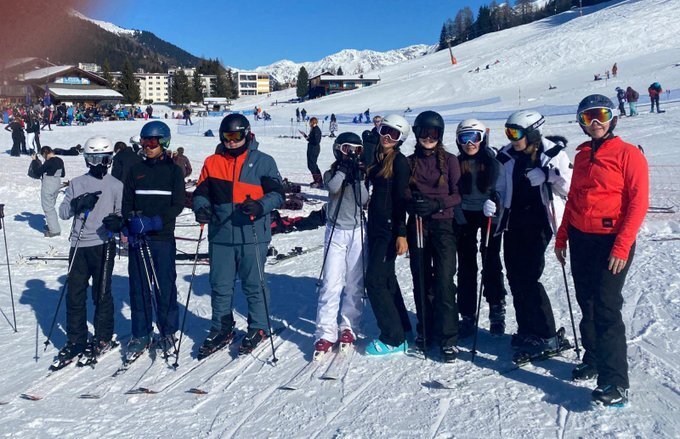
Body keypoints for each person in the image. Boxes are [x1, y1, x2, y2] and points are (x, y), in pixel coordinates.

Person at [555, 95, 648, 407]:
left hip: (611, 241)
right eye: (588, 117)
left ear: (613, 118)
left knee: (607, 307)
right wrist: (562, 236)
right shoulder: (582, 156)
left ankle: (615, 381)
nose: (595, 123)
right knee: (587, 302)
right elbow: (574, 199)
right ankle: (593, 358)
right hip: (581, 238)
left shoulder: (628, 154)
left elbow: (638, 203)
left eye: (601, 116)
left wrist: (622, 245)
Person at [192, 114, 284, 357]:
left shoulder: (264, 161)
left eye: (235, 136)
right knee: (220, 285)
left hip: (252, 232)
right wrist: (201, 207)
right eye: (226, 137)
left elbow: (278, 195)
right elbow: (201, 192)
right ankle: (221, 327)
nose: (231, 142)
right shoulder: (212, 162)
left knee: (254, 283)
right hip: (221, 233)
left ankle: (259, 326)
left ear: (246, 134)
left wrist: (260, 206)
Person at [495, 110, 572, 360]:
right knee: (514, 276)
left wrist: (548, 176)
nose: (512, 138)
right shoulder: (506, 155)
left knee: (528, 277)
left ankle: (547, 334)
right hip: (513, 221)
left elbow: (569, 187)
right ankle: (527, 329)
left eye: (516, 133)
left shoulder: (553, 154)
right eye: (508, 132)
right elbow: (500, 187)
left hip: (539, 221)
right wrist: (493, 201)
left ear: (531, 132)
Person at [55, 136, 123, 364]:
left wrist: (117, 222)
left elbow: (121, 213)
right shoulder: (77, 183)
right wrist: (77, 204)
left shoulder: (116, 185)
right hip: (79, 245)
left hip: (103, 245)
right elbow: (63, 212)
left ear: (110, 160)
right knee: (75, 294)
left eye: (103, 159)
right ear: (86, 160)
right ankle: (76, 340)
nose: (99, 164)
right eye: (93, 159)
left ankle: (103, 337)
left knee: (101, 293)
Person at [122, 121, 185, 357]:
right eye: (144, 142)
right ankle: (141, 333)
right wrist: (129, 222)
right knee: (138, 287)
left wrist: (157, 221)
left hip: (162, 237)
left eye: (152, 142)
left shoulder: (173, 171)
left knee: (164, 285)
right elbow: (127, 202)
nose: (147, 146)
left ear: (164, 142)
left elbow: (178, 204)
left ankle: (167, 331)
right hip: (139, 238)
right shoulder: (135, 170)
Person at [404, 111, 462, 362]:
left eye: (434, 134)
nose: (429, 138)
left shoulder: (450, 161)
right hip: (418, 224)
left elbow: (458, 194)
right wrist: (413, 202)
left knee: (444, 281)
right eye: (424, 133)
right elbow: (403, 192)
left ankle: (448, 337)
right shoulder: (409, 162)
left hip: (443, 225)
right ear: (417, 133)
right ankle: (426, 330)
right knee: (421, 279)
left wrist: (437, 204)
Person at [314, 132, 368, 357]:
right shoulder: (331, 173)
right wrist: (343, 170)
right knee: (331, 282)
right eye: (347, 149)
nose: (352, 154)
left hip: (357, 231)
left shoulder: (361, 173)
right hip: (335, 230)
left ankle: (349, 326)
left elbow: (363, 200)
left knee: (355, 282)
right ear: (338, 149)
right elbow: (333, 188)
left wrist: (359, 179)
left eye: (357, 150)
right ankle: (325, 332)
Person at [364, 114, 413, 356]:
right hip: (375, 227)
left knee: (374, 280)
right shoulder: (377, 157)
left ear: (400, 139)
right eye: (385, 130)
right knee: (386, 279)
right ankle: (403, 327)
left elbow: (402, 200)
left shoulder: (400, 163)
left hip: (389, 229)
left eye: (393, 134)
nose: (387, 137)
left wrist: (401, 233)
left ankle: (393, 338)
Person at [454, 119, 507, 338]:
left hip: (488, 215)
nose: (470, 143)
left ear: (482, 139)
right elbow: (452, 192)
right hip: (465, 215)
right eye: (464, 138)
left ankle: (496, 309)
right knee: (466, 265)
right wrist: (458, 216)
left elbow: (503, 189)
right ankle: (467, 314)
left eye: (474, 137)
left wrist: (495, 204)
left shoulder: (493, 162)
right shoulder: (456, 163)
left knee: (491, 261)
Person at [30, 146, 65, 237]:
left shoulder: (48, 162)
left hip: (48, 186)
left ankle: (54, 231)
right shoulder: (60, 160)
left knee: (48, 208)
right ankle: (52, 225)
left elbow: (37, 172)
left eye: (43, 156)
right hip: (57, 184)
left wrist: (34, 161)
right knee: (51, 207)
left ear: (45, 154)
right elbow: (63, 174)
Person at [303, 117, 323, 188]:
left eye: (310, 122)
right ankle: (317, 180)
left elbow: (316, 141)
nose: (309, 124)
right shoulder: (313, 129)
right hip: (311, 148)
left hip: (314, 149)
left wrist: (308, 139)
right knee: (311, 165)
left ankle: (318, 181)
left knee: (312, 165)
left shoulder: (316, 130)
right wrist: (305, 136)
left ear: (313, 122)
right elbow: (311, 139)